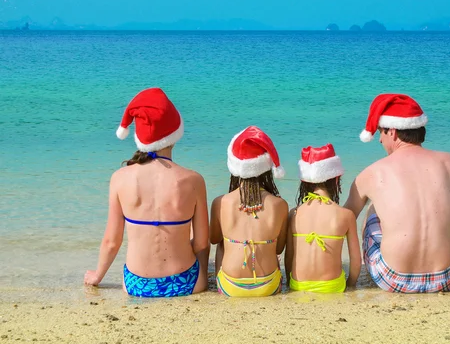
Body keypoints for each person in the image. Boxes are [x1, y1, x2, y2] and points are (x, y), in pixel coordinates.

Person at [83, 88, 210, 297]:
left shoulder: (119, 178)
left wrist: (97, 275)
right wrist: (203, 273)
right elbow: (201, 243)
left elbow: (111, 242)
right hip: (187, 282)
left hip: (136, 284)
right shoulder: (193, 180)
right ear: (175, 134)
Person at [344, 94, 450, 293]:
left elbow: (345, 218)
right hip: (448, 278)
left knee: (374, 206)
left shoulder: (372, 173)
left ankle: (374, 270)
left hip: (392, 279)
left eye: (381, 133)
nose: (379, 139)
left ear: (392, 132)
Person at [209, 126, 288, 297]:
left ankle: (223, 283)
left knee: (223, 241)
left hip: (230, 287)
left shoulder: (220, 202)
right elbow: (279, 249)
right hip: (268, 286)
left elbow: (214, 238)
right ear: (266, 169)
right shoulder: (280, 204)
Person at [285, 144, 361, 293]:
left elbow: (289, 256)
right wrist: (351, 285)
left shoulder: (294, 213)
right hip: (332, 286)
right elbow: (356, 261)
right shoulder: (345, 215)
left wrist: (289, 283)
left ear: (305, 182)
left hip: (299, 285)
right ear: (336, 180)